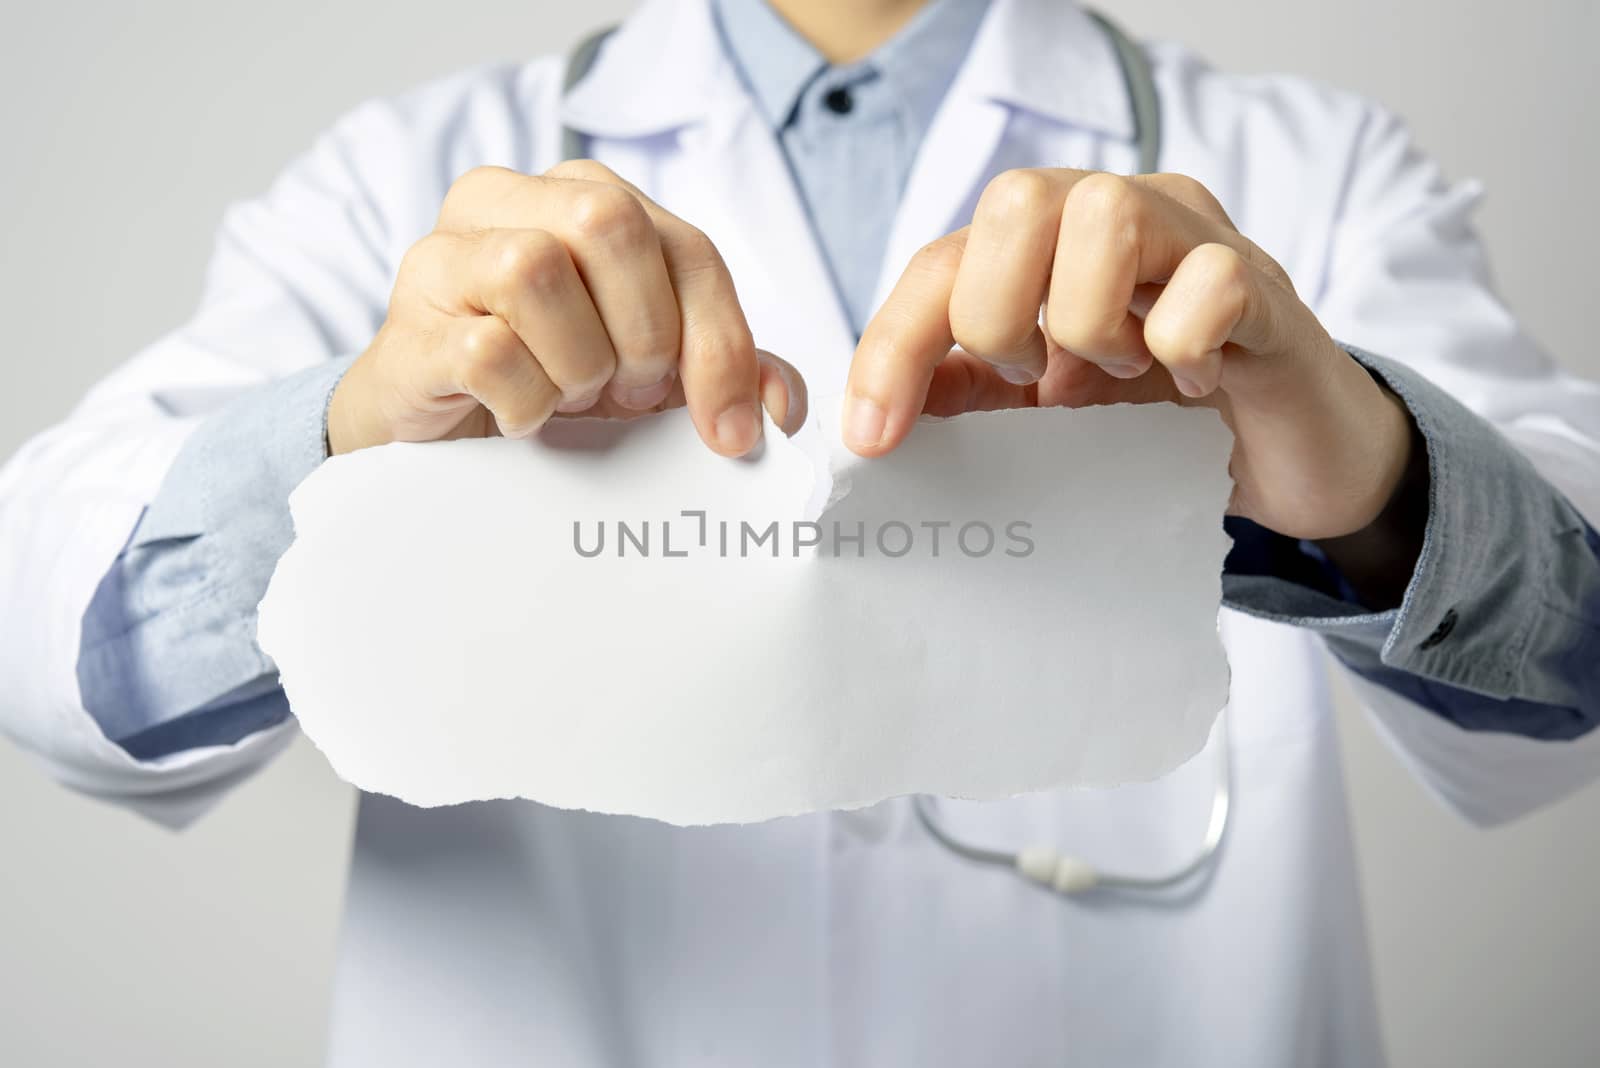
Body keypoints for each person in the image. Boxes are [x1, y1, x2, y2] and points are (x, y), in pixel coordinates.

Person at [2, 0, 1597, 1063]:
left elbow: (1575, 660)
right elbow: (49, 648)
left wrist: (1379, 493)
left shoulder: (1310, 179)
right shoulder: (401, 188)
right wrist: (357, 449)